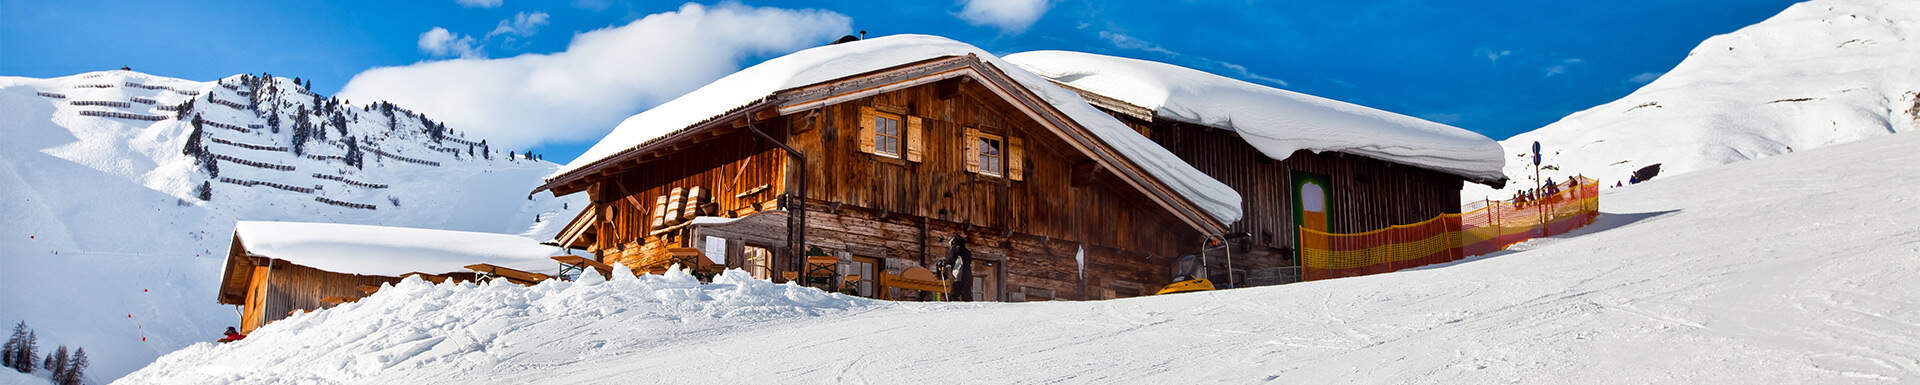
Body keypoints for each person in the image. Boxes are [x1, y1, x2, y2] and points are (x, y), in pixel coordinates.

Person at [936, 235, 973, 302]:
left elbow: (950, 260)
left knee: (953, 295)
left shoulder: (955, 249)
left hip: (960, 276)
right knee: (967, 295)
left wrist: (942, 263)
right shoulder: (967, 252)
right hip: (968, 276)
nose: (949, 243)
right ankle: (970, 310)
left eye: (950, 241)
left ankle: (957, 310)